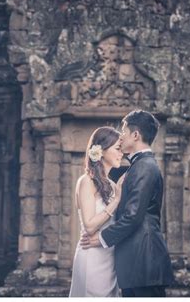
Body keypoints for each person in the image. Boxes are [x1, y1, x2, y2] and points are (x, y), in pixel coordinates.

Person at [81, 110, 174, 297]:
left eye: (123, 131)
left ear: (136, 135)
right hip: (137, 263)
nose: (121, 137)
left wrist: (101, 238)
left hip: (144, 261)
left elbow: (133, 217)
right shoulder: (139, 166)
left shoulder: (144, 167)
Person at [69, 126, 124, 297]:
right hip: (91, 257)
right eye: (117, 149)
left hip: (109, 258)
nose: (121, 154)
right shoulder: (86, 181)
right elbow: (90, 226)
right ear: (101, 150)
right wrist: (116, 201)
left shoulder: (114, 186)